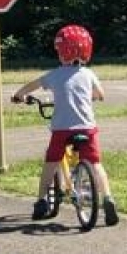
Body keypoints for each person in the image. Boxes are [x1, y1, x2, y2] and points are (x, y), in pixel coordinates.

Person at [11, 24, 118, 225]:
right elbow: (100, 95)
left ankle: (42, 200)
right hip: (87, 128)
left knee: (51, 162)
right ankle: (108, 198)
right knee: (95, 164)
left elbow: (31, 86)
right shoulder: (88, 74)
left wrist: (19, 95)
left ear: (61, 52)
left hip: (61, 129)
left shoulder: (54, 75)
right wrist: (90, 96)